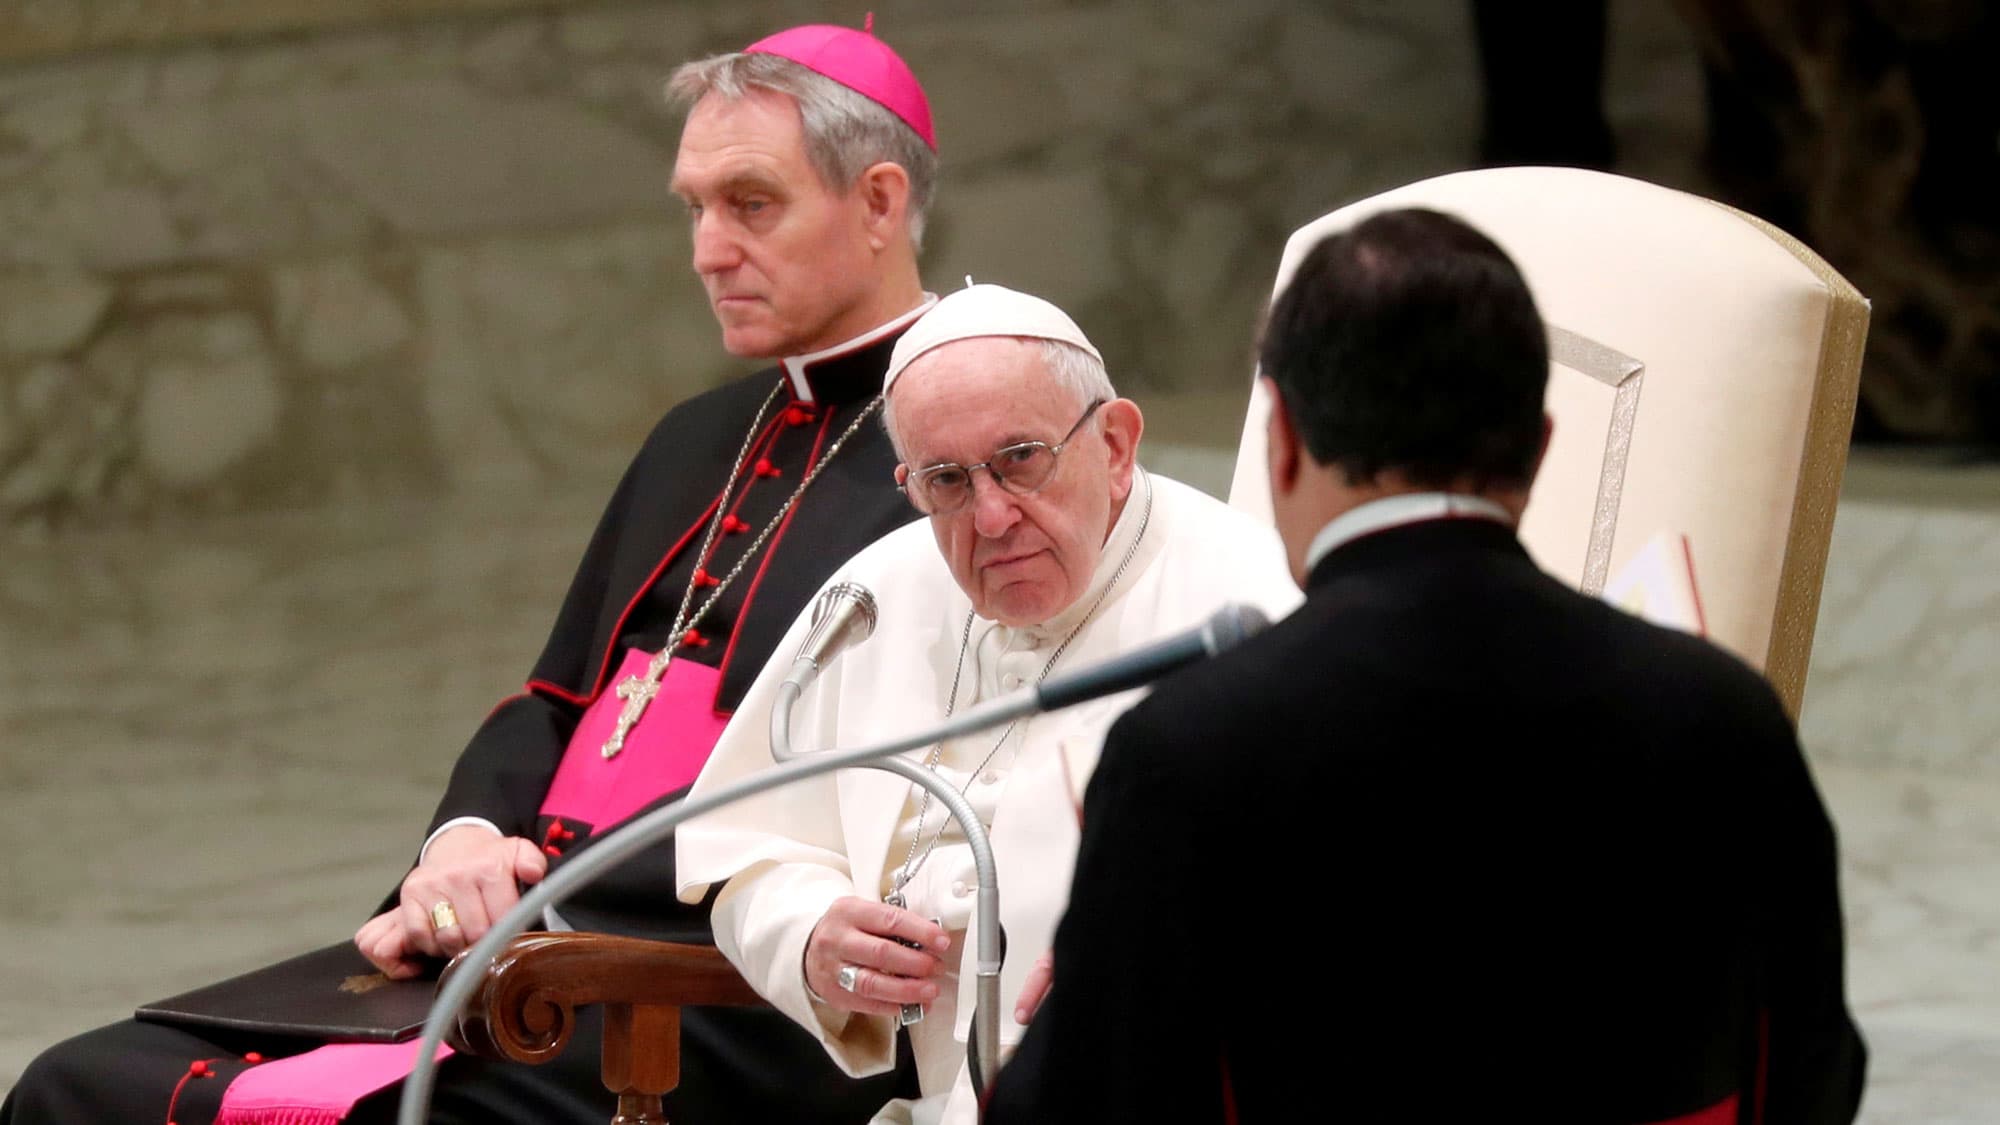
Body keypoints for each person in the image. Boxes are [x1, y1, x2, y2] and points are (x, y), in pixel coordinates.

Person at [5, 19, 945, 1125]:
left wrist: (541, 908)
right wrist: (457, 849)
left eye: (749, 204)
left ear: (878, 203)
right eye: (691, 207)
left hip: (720, 989)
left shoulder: (975, 443)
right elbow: (552, 701)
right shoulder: (698, 436)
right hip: (525, 956)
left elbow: (904, 801)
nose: (704, 249)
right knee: (80, 1085)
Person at [983, 208, 1868, 1124]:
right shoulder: (1720, 714)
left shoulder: (1191, 747)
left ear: (1281, 437)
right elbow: (1808, 1071)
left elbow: (1093, 1101)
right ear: (1538, 445)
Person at [673, 282, 1302, 1125]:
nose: (993, 516)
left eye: (1021, 458)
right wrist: (809, 931)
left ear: (1115, 443)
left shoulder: (1254, 600)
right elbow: (742, 851)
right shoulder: (877, 595)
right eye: (946, 481)